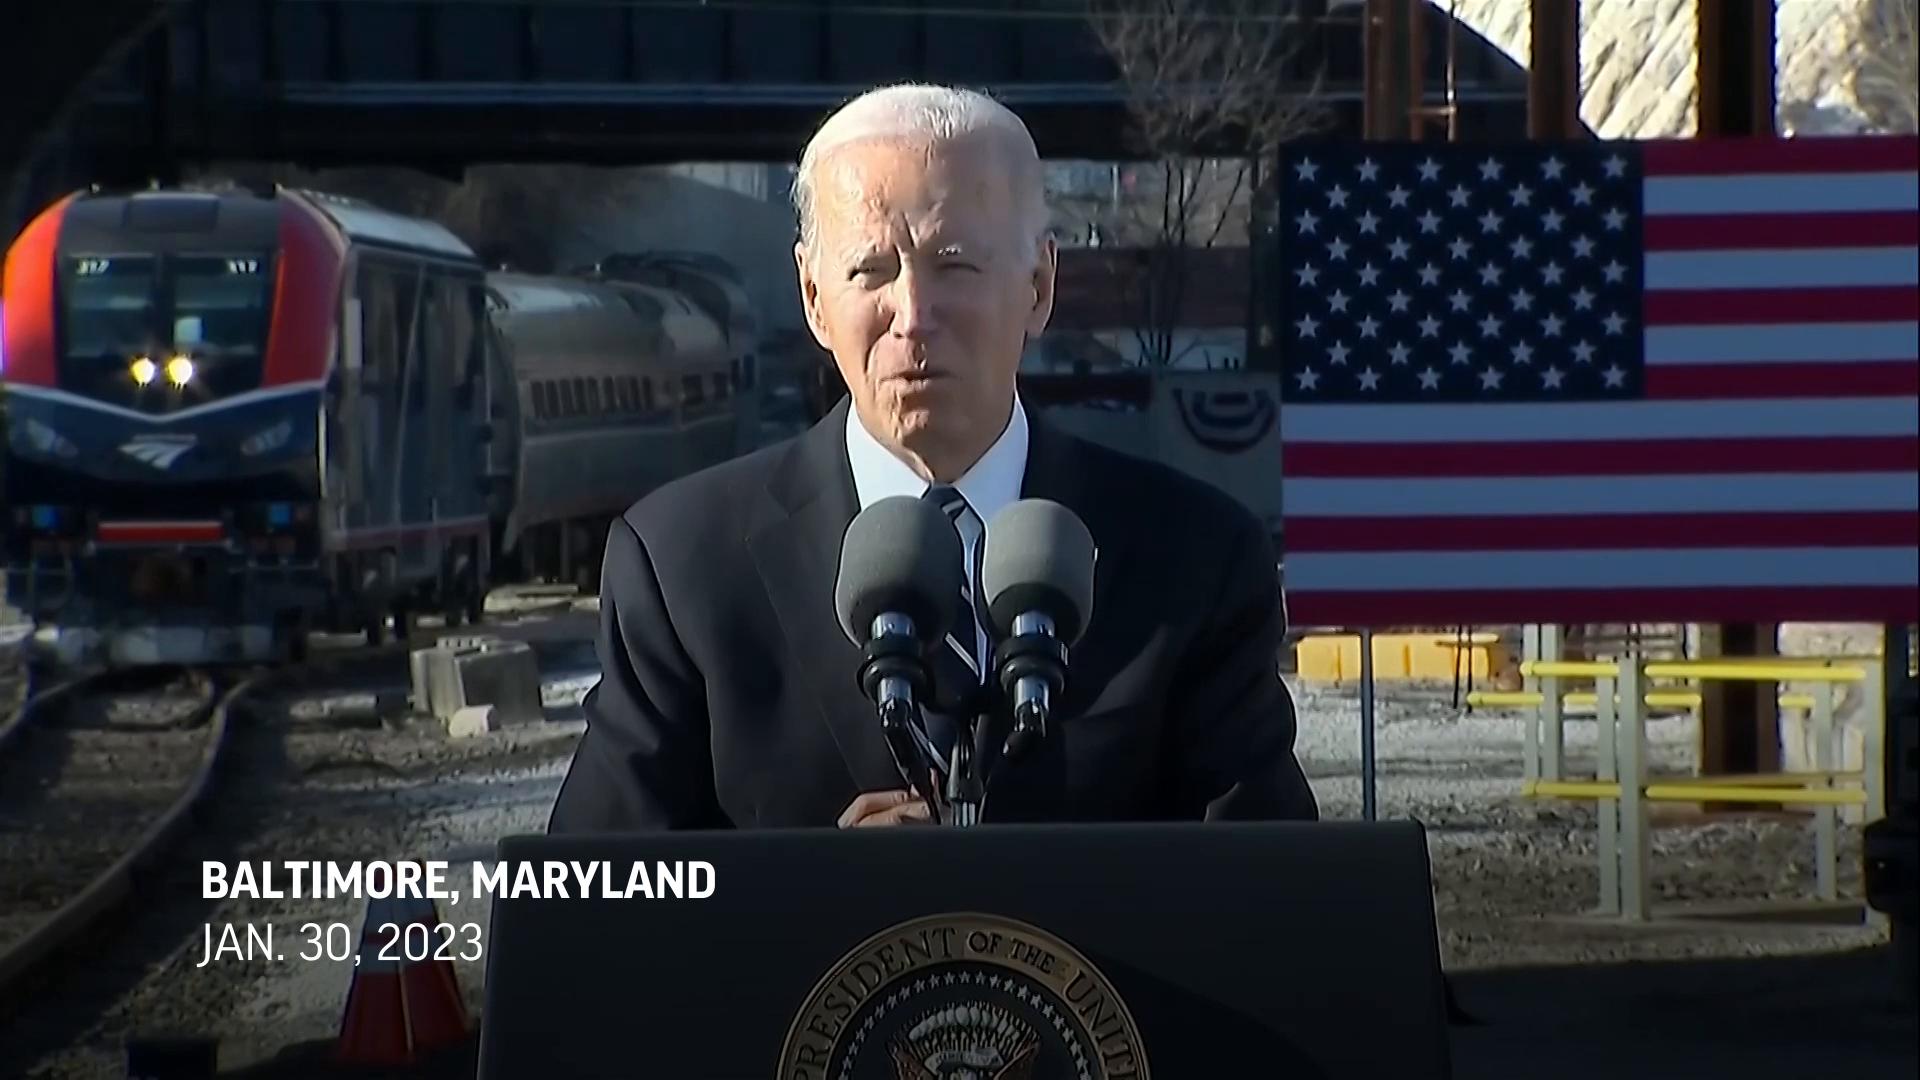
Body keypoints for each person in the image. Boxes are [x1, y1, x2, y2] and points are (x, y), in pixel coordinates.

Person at [547, 82, 1317, 831]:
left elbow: (1272, 908)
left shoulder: (1196, 560)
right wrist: (811, 908)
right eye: (870, 271)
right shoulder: (684, 568)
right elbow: (590, 914)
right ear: (814, 299)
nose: (913, 317)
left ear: (1040, 286)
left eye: (954, 264)